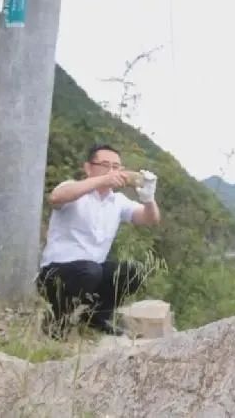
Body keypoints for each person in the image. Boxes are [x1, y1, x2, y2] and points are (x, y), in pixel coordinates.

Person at [35, 143, 161, 338]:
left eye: (116, 167)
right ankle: (56, 319)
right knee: (90, 270)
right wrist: (102, 180)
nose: (112, 171)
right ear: (88, 167)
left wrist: (149, 199)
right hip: (56, 273)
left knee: (132, 272)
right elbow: (56, 197)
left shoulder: (117, 201)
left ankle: (96, 318)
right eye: (104, 165)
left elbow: (150, 219)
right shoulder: (73, 189)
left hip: (92, 272)